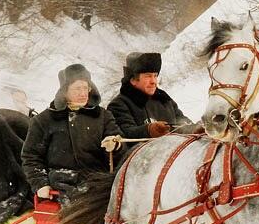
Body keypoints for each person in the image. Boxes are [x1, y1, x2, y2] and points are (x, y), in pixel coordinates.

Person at [21, 64, 122, 205]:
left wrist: (116, 145)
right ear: (64, 91)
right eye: (77, 89)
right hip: (60, 185)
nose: (83, 93)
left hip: (97, 183)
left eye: (85, 88)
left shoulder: (103, 116)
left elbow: (120, 148)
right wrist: (40, 183)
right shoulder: (44, 120)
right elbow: (31, 156)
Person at [107, 52, 194, 139]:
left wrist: (193, 129)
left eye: (155, 76)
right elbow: (126, 133)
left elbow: (182, 122)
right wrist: (149, 130)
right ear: (133, 80)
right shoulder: (119, 105)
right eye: (148, 76)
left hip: (175, 150)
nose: (153, 81)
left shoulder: (164, 99)